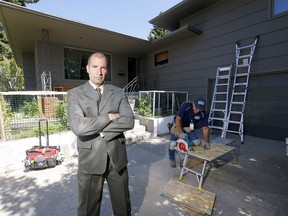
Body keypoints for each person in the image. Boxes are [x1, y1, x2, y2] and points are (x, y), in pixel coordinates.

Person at [67, 52, 135, 216]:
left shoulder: (118, 92)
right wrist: (108, 117)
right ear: (87, 69)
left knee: (123, 208)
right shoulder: (75, 94)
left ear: (107, 70)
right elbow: (78, 127)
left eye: (103, 67)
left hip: (116, 159)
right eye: (95, 67)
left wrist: (99, 130)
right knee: (87, 210)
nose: (99, 71)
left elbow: (128, 121)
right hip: (90, 160)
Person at [168, 97, 210, 168]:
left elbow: (205, 128)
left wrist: (207, 142)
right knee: (173, 143)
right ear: (193, 103)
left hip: (188, 125)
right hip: (177, 124)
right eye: (196, 107)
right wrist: (181, 133)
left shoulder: (203, 114)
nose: (197, 110)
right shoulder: (186, 106)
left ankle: (186, 153)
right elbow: (178, 119)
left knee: (197, 142)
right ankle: (171, 159)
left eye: (200, 108)